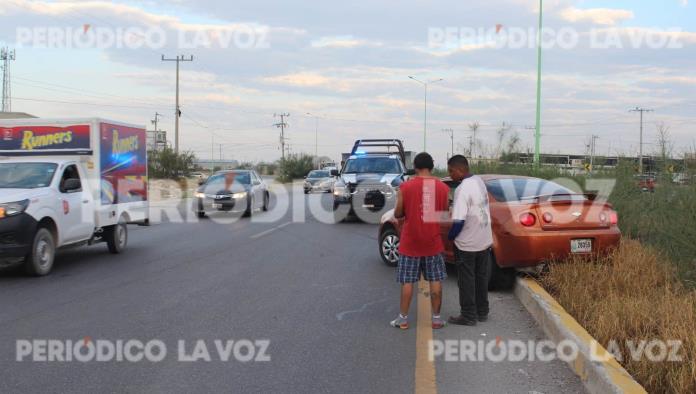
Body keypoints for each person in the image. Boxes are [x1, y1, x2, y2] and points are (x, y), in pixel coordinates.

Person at [390, 152, 450, 330]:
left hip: (410, 243)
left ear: (415, 167)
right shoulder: (442, 187)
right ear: (431, 166)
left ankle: (403, 319)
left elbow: (398, 214)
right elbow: (444, 212)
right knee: (436, 279)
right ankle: (437, 319)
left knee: (408, 281)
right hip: (433, 241)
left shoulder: (405, 187)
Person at [446, 155, 494, 326]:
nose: (450, 175)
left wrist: (450, 237)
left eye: (451, 171)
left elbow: (459, 221)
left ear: (459, 170)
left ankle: (468, 315)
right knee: (481, 278)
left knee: (466, 280)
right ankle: (482, 311)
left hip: (467, 243)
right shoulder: (478, 181)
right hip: (484, 239)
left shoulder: (462, 189)